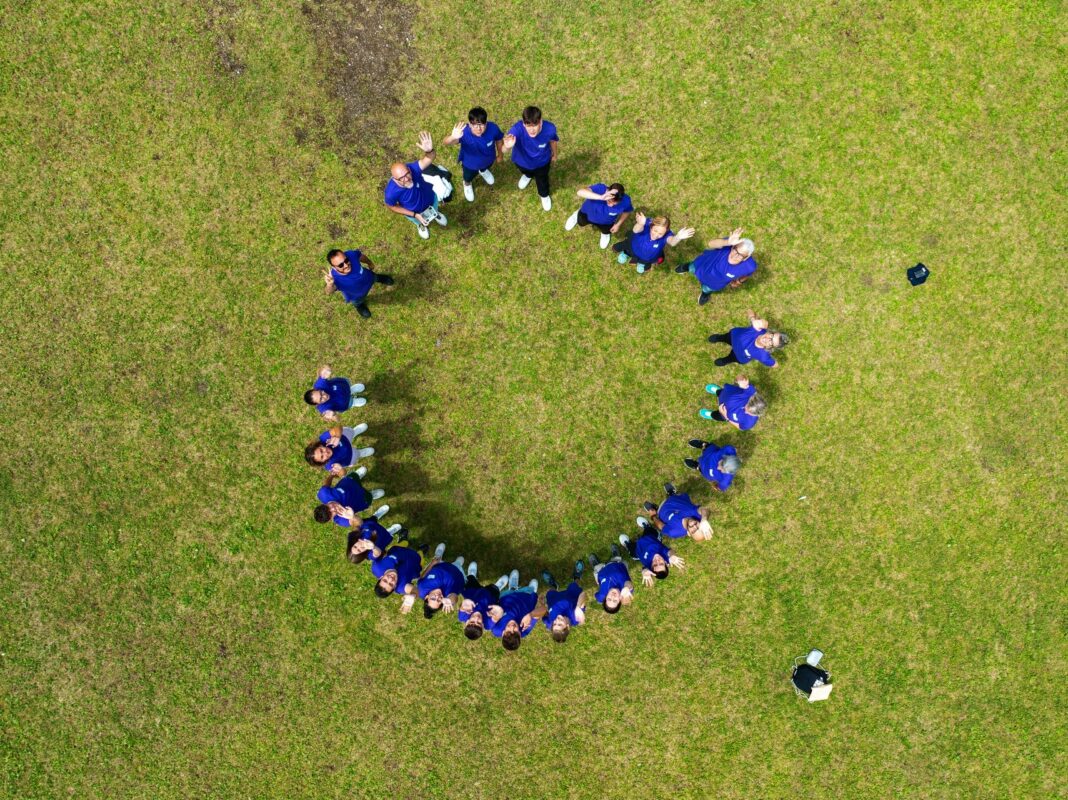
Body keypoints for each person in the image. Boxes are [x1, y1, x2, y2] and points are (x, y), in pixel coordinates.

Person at [384, 131, 447, 240]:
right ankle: (421, 225)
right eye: (401, 178)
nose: (407, 178)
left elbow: (429, 159)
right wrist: (414, 215)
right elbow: (392, 206)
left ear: (408, 169)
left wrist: (429, 151)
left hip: (431, 199)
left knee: (434, 209)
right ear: (395, 179)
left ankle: (436, 214)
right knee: (419, 220)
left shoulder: (412, 169)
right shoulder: (391, 192)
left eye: (407, 173)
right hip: (415, 212)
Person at [674, 227, 758, 305]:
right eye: (735, 250)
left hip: (714, 284)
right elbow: (710, 244)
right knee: (691, 267)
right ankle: (685, 267)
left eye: (741, 255)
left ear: (746, 257)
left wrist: (739, 281)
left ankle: (705, 294)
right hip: (702, 266)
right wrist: (727, 242)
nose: (735, 256)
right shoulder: (728, 244)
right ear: (733, 247)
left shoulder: (750, 266)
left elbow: (747, 274)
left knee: (707, 289)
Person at [441, 107, 504, 203]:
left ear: (486, 123)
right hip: (469, 165)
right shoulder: (464, 132)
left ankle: (483, 171)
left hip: (489, 160)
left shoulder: (493, 128)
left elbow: (499, 139)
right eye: (475, 125)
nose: (479, 129)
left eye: (482, 125)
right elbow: (446, 142)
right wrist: (452, 137)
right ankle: (467, 184)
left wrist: (500, 155)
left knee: (485, 167)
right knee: (468, 177)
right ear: (469, 124)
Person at [502, 106, 558, 211]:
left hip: (542, 164)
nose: (531, 130)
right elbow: (503, 150)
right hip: (522, 162)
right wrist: (507, 147)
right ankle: (527, 176)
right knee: (526, 172)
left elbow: (553, 141)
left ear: (540, 122)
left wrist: (555, 154)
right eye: (528, 125)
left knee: (542, 181)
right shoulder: (516, 130)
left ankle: (544, 196)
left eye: (535, 125)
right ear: (524, 123)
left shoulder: (550, 129)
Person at [323, 248, 394, 319]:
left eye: (346, 260)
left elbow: (360, 256)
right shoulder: (335, 278)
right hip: (357, 296)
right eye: (341, 265)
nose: (346, 265)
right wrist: (330, 284)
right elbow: (328, 292)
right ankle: (360, 306)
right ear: (334, 267)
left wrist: (369, 262)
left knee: (375, 277)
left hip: (369, 278)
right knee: (358, 302)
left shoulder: (351, 254)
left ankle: (381, 279)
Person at [614, 213, 694, 274]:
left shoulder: (667, 234)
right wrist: (640, 223)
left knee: (645, 260)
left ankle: (641, 263)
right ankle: (625, 254)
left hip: (647, 257)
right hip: (634, 247)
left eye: (660, 233)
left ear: (665, 232)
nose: (656, 235)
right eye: (655, 231)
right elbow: (635, 230)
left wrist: (678, 237)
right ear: (651, 226)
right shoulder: (646, 223)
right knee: (629, 250)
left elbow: (672, 243)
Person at [707, 309, 788, 367]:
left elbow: (775, 365)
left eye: (771, 342)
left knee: (731, 358)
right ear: (770, 332)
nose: (768, 339)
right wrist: (753, 319)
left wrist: (772, 361)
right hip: (732, 337)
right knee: (724, 337)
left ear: (771, 347)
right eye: (771, 336)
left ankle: (726, 360)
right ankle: (719, 338)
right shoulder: (758, 329)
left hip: (738, 356)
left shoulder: (763, 356)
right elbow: (749, 310)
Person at [564, 182, 634, 249]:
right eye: (609, 201)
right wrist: (601, 197)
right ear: (607, 191)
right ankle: (575, 215)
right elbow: (580, 192)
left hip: (606, 223)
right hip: (586, 214)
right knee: (581, 222)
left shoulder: (626, 201)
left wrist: (618, 224)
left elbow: (627, 211)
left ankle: (605, 234)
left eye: (615, 203)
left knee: (606, 230)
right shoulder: (600, 188)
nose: (611, 205)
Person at [487, 570, 543, 651]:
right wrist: (531, 615)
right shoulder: (524, 629)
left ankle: (513, 586)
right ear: (520, 634)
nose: (512, 627)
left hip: (506, 596)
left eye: (509, 631)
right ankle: (529, 589)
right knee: (531, 589)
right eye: (515, 632)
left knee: (509, 591)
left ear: (503, 634)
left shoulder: (496, 629)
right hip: (526, 596)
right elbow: (543, 610)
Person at [313, 466, 385, 527]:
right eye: (330, 513)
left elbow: (326, 485)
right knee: (369, 497)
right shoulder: (341, 520)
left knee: (355, 475)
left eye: (328, 508)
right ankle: (372, 495)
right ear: (330, 518)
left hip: (350, 481)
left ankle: (358, 475)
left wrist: (332, 476)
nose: (333, 509)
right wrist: (352, 517)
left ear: (324, 504)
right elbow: (359, 523)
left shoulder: (324, 494)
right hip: (363, 499)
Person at [619, 526, 685, 586]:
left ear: (651, 567)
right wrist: (672, 555)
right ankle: (646, 526)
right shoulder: (666, 555)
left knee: (632, 551)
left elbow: (645, 570)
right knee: (650, 530)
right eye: (661, 563)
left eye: (655, 565)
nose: (657, 561)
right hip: (650, 537)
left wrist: (644, 572)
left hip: (637, 550)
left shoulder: (648, 566)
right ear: (665, 562)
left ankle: (627, 544)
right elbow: (670, 552)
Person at [646, 483, 713, 541]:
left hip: (661, 509)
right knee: (677, 496)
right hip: (677, 498)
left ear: (689, 533)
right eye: (698, 527)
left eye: (693, 531)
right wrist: (704, 519)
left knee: (656, 511)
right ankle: (671, 493)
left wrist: (653, 516)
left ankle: (654, 509)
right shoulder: (697, 516)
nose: (694, 526)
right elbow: (705, 510)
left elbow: (661, 526)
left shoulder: (674, 532)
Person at [539, 563, 587, 643]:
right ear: (567, 627)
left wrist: (542, 604)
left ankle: (553, 585)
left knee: (551, 591)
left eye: (555, 624)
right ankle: (577, 576)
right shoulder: (576, 617)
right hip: (571, 594)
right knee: (575, 585)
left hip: (553, 598)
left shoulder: (549, 622)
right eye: (560, 624)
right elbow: (583, 594)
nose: (557, 621)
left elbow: (544, 616)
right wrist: (578, 608)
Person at [418, 546, 469, 619]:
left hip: (439, 564)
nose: (437, 597)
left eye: (433, 598)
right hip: (457, 571)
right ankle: (458, 563)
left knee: (437, 558)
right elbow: (454, 598)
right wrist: (449, 600)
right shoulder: (447, 596)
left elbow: (422, 577)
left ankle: (438, 555)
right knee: (460, 560)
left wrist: (432, 564)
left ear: (427, 597)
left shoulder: (421, 588)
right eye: (439, 600)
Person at [700, 376, 766, 430]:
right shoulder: (750, 391)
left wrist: (726, 417)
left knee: (717, 415)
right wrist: (741, 379)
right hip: (726, 393)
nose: (745, 412)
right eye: (747, 408)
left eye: (749, 412)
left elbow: (740, 427)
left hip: (723, 414)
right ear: (751, 398)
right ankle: (718, 391)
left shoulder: (749, 423)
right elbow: (740, 378)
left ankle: (711, 414)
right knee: (721, 393)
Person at [458, 573, 510, 640]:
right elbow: (497, 616)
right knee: (494, 589)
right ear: (483, 626)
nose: (476, 618)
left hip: (473, 591)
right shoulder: (488, 624)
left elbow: (462, 607)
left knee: (470, 580)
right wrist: (500, 611)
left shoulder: (462, 617)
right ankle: (497, 586)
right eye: (479, 623)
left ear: (467, 622)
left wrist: (465, 603)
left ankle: (472, 574)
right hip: (490, 595)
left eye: (472, 621)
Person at [304, 425, 374, 474]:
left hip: (345, 437)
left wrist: (337, 436)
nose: (325, 453)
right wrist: (341, 469)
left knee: (351, 432)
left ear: (320, 445)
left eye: (321, 450)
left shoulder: (324, 438)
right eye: (322, 457)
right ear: (322, 462)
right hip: (350, 456)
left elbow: (338, 427)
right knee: (357, 454)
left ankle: (355, 431)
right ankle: (361, 453)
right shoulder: (330, 466)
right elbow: (343, 474)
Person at [589, 547, 634, 614]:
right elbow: (629, 584)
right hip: (617, 564)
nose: (613, 596)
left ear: (605, 598)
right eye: (615, 600)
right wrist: (627, 588)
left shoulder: (601, 595)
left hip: (601, 571)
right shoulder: (625, 591)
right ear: (620, 600)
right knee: (621, 561)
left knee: (597, 570)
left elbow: (597, 597)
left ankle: (596, 564)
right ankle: (616, 555)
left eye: (609, 599)